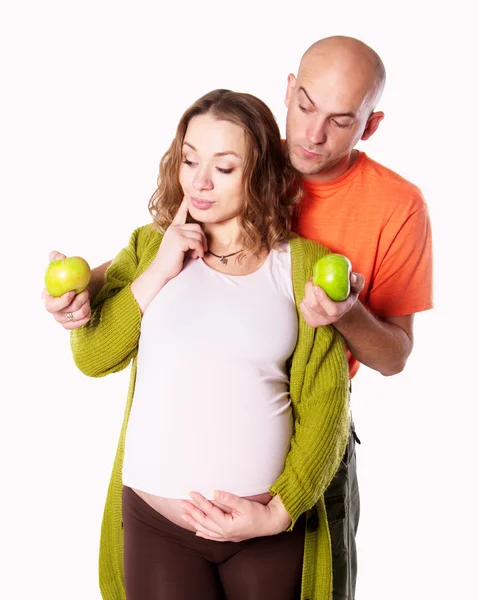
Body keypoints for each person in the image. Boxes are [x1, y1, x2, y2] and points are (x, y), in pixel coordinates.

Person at [44, 36, 434, 599]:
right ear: (289, 91)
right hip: (162, 513)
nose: (312, 134)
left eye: (340, 120)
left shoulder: (387, 212)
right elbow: (125, 285)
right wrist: (81, 292)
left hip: (299, 466)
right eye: (304, 107)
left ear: (368, 126)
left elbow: (388, 361)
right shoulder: (239, 149)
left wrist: (345, 313)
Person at [53, 88, 350, 599]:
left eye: (225, 167)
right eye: (190, 159)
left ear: (258, 174)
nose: (200, 181)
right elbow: (94, 356)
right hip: (157, 525)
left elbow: (328, 401)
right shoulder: (150, 247)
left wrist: (276, 514)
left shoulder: (300, 265)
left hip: (263, 528)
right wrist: (161, 271)